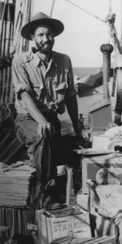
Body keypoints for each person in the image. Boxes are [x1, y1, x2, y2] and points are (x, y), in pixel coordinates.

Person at [12, 12, 81, 212]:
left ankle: (77, 193)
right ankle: (42, 195)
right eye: (40, 35)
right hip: (27, 119)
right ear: (33, 38)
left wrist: (77, 130)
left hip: (52, 121)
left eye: (49, 34)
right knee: (43, 136)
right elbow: (24, 95)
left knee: (73, 149)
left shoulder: (64, 61)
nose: (45, 39)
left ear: (54, 37)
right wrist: (41, 121)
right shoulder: (20, 61)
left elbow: (70, 97)